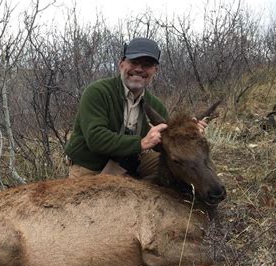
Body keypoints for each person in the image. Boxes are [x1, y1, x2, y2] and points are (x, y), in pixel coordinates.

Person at [65, 37, 207, 179]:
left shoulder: (155, 105)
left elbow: (165, 143)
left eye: (146, 65)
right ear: (121, 64)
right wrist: (141, 143)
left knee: (179, 168)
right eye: (133, 62)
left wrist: (190, 133)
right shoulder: (97, 92)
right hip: (91, 167)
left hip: (129, 163)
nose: (139, 69)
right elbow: (96, 138)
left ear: (155, 70)